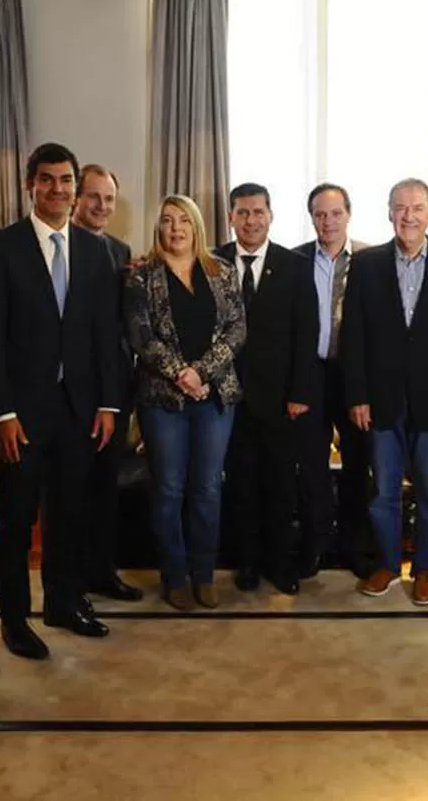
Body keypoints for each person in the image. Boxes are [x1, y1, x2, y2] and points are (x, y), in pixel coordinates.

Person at [0, 142, 123, 660]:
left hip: (80, 410)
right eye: (47, 180)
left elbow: (106, 334)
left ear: (74, 188)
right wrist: (2, 413)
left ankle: (64, 601)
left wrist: (108, 404)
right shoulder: (1, 248)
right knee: (16, 519)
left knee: (69, 511)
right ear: (30, 185)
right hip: (22, 413)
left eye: (65, 181)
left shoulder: (95, 250)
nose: (56, 189)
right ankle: (15, 620)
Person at [341, 178, 428, 605]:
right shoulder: (367, 263)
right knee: (384, 491)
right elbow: (353, 334)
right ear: (389, 213)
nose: (408, 216)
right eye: (400, 208)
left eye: (416, 208)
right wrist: (357, 394)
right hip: (381, 398)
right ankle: (388, 565)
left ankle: (427, 569)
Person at [125, 194, 246, 610]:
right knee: (169, 489)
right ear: (159, 228)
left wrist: (202, 373)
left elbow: (237, 329)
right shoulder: (142, 276)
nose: (175, 229)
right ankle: (175, 576)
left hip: (215, 398)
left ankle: (204, 573)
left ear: (197, 227)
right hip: (163, 401)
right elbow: (142, 337)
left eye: (183, 221)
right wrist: (181, 375)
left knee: (208, 488)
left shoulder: (222, 271)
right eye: (167, 221)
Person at [214, 183, 319, 595]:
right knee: (240, 486)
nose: (251, 220)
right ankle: (248, 563)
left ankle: (280, 563)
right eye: (242, 213)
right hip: (227, 399)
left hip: (279, 400)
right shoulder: (213, 261)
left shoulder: (293, 266)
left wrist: (300, 393)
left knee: (279, 486)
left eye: (258, 212)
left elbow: (305, 333)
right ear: (231, 217)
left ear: (271, 215)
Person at [72, 163, 144, 602]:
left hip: (115, 389)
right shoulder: (62, 246)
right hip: (73, 393)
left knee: (105, 488)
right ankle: (72, 578)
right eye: (93, 196)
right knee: (71, 491)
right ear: (77, 199)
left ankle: (103, 570)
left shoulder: (121, 251)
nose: (101, 206)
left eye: (109, 199)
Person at [295, 183, 373, 578]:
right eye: (320, 214)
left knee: (358, 465)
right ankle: (316, 546)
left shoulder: (371, 260)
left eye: (335, 213)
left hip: (354, 378)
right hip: (310, 377)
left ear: (348, 213)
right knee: (311, 468)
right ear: (311, 217)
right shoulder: (295, 261)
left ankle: (353, 548)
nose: (328, 221)